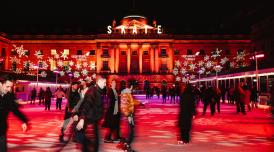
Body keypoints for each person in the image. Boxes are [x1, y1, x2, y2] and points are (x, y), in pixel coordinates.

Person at [76, 77, 106, 152]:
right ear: (99, 82)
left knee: (93, 143)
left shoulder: (98, 91)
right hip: (89, 121)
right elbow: (86, 104)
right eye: (104, 83)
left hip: (94, 120)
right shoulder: (93, 91)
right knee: (92, 143)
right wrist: (82, 119)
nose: (105, 85)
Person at [0, 75, 29, 151]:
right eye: (7, 86)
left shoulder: (9, 96)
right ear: (0, 84)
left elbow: (14, 110)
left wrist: (23, 121)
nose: (9, 89)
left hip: (1, 130)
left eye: (11, 87)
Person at [117, 85, 140, 152]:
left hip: (130, 114)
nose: (133, 89)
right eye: (133, 88)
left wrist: (140, 103)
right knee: (131, 131)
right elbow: (123, 106)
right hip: (129, 114)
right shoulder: (125, 94)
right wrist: (128, 115)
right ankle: (126, 145)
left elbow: (132, 102)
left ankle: (126, 145)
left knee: (131, 130)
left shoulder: (128, 93)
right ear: (131, 86)